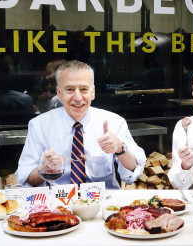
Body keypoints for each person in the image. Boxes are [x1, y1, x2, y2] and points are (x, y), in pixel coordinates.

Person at [15, 60, 146, 189]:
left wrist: (120, 148)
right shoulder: (39, 125)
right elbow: (26, 179)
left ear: (92, 92)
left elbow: (134, 172)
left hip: (103, 203)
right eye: (70, 89)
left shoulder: (114, 122)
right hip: (57, 204)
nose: (77, 97)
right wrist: (43, 170)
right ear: (59, 93)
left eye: (84, 89)